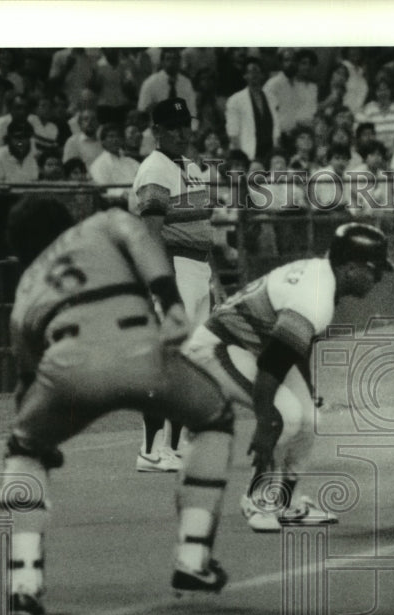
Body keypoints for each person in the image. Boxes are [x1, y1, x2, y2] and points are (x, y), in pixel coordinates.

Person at [0, 197, 237, 615]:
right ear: (68, 220)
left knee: (23, 452)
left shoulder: (25, 288)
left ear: (21, 250)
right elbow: (142, 239)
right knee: (214, 417)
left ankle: (24, 579)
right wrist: (172, 303)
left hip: (67, 367)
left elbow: (27, 379)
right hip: (141, 350)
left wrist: (36, 439)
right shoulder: (102, 223)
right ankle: (194, 558)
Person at [182, 222, 394, 532]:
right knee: (286, 414)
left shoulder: (323, 276)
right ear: (350, 268)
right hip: (215, 350)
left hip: (254, 347)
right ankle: (259, 499)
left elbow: (294, 348)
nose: (378, 278)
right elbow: (272, 365)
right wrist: (267, 424)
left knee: (309, 417)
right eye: (374, 270)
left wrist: (306, 392)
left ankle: (286, 502)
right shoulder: (316, 296)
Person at [128, 97, 224, 472]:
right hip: (176, 271)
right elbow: (152, 235)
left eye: (187, 125)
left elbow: (202, 227)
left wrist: (213, 276)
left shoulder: (190, 166)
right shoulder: (154, 169)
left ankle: (174, 444)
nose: (184, 133)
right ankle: (150, 450)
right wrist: (165, 288)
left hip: (197, 270)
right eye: (174, 127)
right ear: (157, 132)